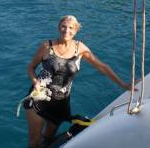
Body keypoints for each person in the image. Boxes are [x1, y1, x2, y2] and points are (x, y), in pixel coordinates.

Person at [25, 15, 135, 148]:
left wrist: (123, 84)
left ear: (76, 30)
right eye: (63, 26)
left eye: (71, 27)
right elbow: (31, 67)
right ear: (58, 28)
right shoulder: (46, 46)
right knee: (34, 143)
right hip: (38, 99)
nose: (66, 30)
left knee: (48, 139)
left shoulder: (80, 48)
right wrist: (35, 81)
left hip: (61, 103)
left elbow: (102, 66)